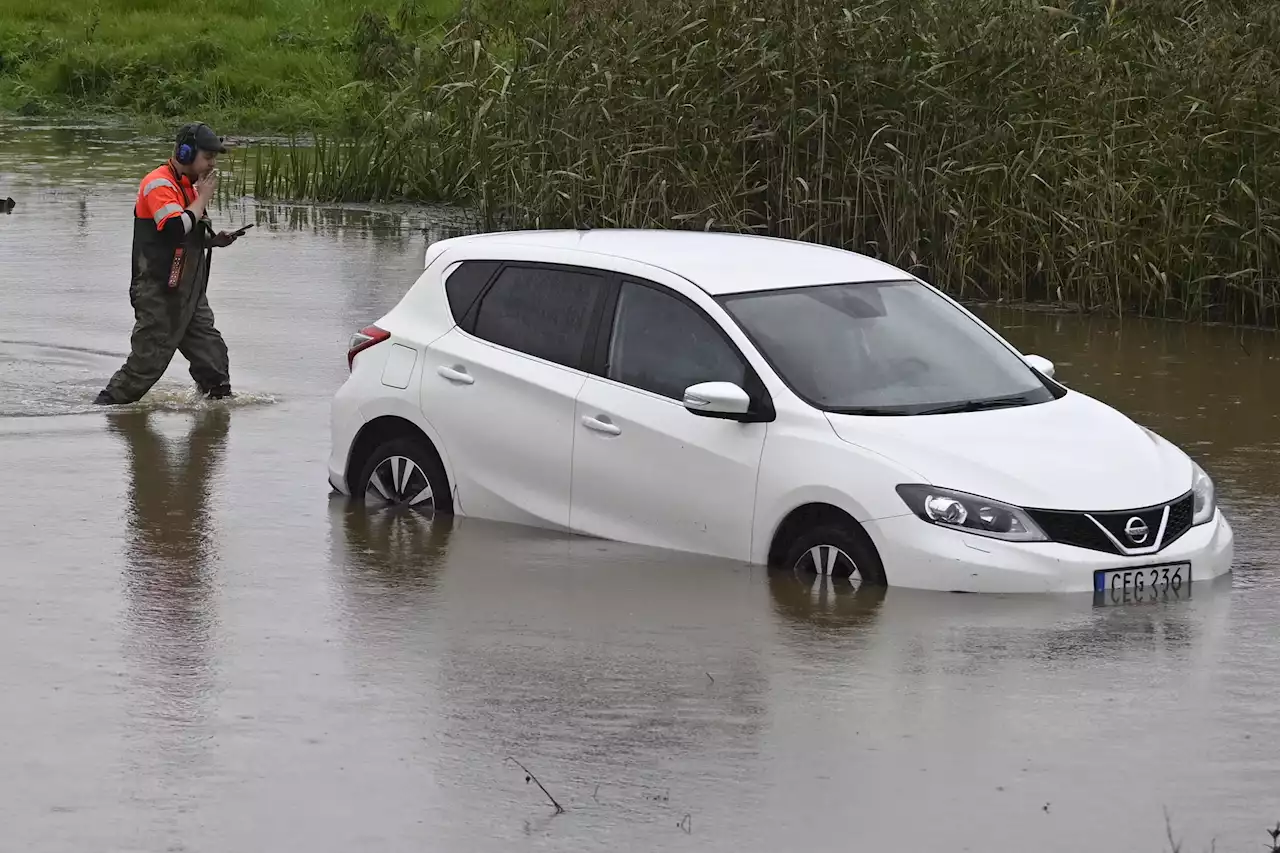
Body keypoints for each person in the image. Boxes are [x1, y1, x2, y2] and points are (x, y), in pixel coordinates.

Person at [95, 122, 245, 405]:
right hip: (158, 293)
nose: (212, 163)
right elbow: (175, 228)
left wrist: (214, 240)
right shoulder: (158, 183)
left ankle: (213, 422)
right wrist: (202, 198)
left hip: (189, 293)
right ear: (185, 152)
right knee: (144, 368)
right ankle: (103, 412)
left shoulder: (190, 186)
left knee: (213, 359)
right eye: (208, 156)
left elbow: (187, 235)